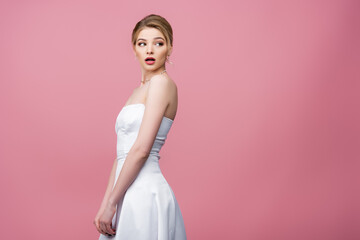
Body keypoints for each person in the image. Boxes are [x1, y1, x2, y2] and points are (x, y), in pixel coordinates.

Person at [94, 14, 187, 240]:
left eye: (158, 43)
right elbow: (121, 155)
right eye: (142, 43)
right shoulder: (137, 91)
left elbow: (141, 149)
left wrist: (112, 202)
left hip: (144, 193)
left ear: (170, 48)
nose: (150, 50)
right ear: (134, 49)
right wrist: (107, 203)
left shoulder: (162, 83)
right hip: (124, 191)